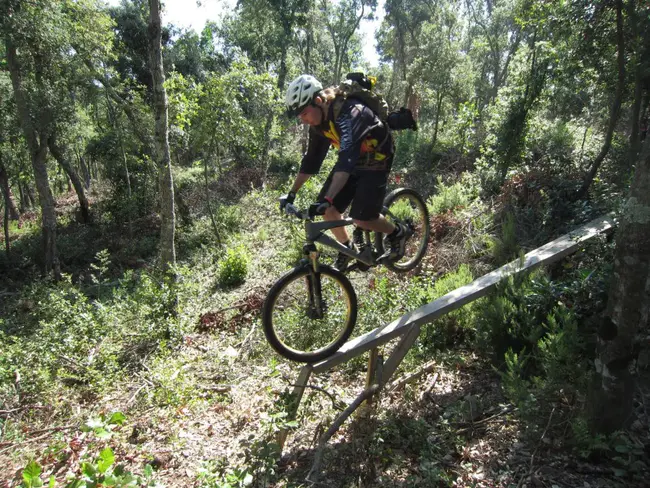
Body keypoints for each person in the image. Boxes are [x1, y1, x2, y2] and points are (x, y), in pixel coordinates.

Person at [279, 74, 408, 271]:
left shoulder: (350, 113)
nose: (302, 120)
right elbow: (311, 162)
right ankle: (347, 248)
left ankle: (397, 232)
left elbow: (346, 159)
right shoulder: (319, 123)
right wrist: (291, 193)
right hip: (354, 158)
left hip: (377, 155)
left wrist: (329, 197)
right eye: (299, 116)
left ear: (319, 101)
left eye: (304, 113)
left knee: (362, 217)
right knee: (327, 210)